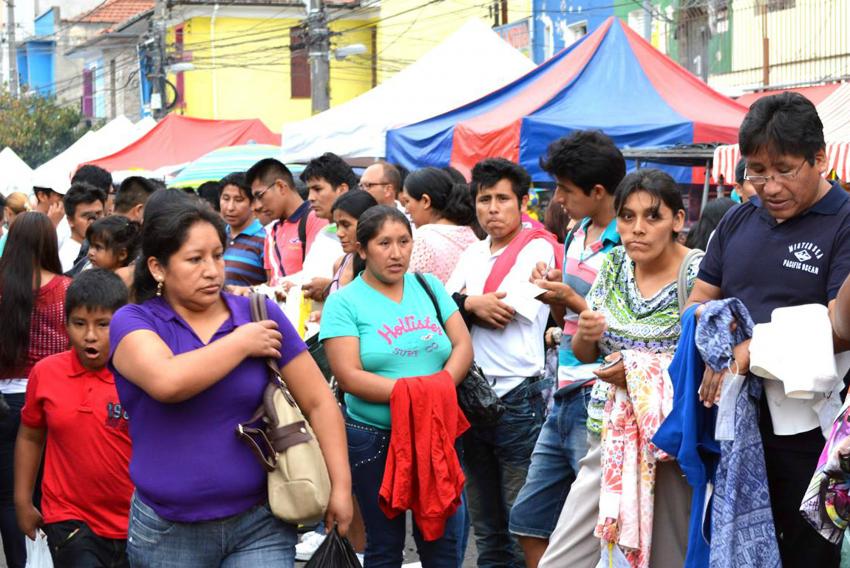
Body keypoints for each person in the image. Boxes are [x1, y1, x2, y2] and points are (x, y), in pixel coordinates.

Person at [109, 194, 351, 567]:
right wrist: (240, 343)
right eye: (195, 259)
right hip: (167, 532)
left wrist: (342, 488)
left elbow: (319, 402)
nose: (212, 270)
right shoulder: (134, 321)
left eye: (217, 255)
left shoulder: (257, 312)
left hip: (262, 522)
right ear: (158, 268)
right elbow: (168, 382)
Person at [687, 92, 850, 568]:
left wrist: (752, 350)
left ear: (819, 159)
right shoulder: (739, 218)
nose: (769, 185)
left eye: (784, 169)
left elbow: (840, 330)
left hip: (813, 430)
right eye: (756, 171)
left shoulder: (843, 221)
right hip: (738, 423)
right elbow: (699, 302)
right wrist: (722, 347)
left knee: (808, 553)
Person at [540, 168, 698, 568]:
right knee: (563, 557)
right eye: (627, 217)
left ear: (678, 221)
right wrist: (588, 331)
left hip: (669, 442)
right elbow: (584, 352)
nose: (637, 229)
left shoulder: (698, 272)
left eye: (652, 217)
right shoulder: (612, 266)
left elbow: (705, 357)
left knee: (667, 556)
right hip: (608, 435)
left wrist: (636, 369)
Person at [321, 205, 473, 567]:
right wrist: (420, 394)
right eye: (384, 243)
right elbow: (349, 376)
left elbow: (462, 346)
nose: (396, 253)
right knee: (385, 546)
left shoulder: (429, 286)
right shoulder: (343, 303)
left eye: (404, 241)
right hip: (374, 437)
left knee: (443, 542)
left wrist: (436, 389)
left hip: (436, 430)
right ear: (362, 250)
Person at [511, 130, 626, 567]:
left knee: (607, 527)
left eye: (564, 188)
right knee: (528, 519)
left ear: (597, 191)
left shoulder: (628, 242)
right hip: (562, 389)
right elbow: (569, 325)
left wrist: (572, 300)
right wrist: (556, 295)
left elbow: (626, 333)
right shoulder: (577, 233)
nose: (557, 198)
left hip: (598, 396)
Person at [446, 158, 561, 567]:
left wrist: (466, 304)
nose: (492, 208)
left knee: (519, 524)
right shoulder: (474, 251)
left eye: (502, 199)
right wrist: (469, 303)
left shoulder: (538, 246)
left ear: (523, 202)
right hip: (472, 395)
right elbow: (442, 307)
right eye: (484, 199)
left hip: (517, 396)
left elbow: (504, 311)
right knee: (486, 523)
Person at [14, 269, 132, 568]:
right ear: (65, 325)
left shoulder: (139, 374)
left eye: (103, 325)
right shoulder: (46, 373)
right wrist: (23, 500)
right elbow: (30, 435)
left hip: (136, 523)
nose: (90, 335)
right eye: (80, 324)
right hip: (69, 519)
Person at [0, 212, 71, 568]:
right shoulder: (65, 290)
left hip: (3, 404)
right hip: (50, 401)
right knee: (46, 493)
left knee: (8, 499)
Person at [246, 158, 327, 285]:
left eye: (260, 196)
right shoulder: (271, 230)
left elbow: (315, 276)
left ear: (280, 187)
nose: (258, 205)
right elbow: (271, 282)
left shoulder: (315, 219)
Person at [401, 167, 479, 284]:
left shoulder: (422, 240)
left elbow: (409, 289)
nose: (406, 210)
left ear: (425, 201)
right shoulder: (472, 237)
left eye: (407, 201)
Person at [300, 153, 357, 300]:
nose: (310, 198)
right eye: (309, 191)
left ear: (342, 189)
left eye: (317, 189)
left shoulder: (369, 232)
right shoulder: (324, 232)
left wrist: (330, 286)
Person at [219, 172, 266, 287]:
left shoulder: (265, 239)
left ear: (253, 203)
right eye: (226, 199)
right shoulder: (217, 237)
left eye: (238, 200)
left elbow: (274, 285)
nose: (230, 207)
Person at [328, 190, 378, 295]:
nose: (339, 233)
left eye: (346, 225)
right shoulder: (340, 264)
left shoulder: (381, 269)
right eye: (337, 225)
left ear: (367, 223)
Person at [59, 183, 106, 273]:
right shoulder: (65, 259)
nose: (94, 221)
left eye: (98, 214)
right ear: (70, 220)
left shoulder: (107, 252)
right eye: (87, 216)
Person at [86, 216, 142, 288]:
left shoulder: (126, 287)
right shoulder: (88, 273)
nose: (90, 252)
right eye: (90, 246)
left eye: (98, 247)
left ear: (122, 254)